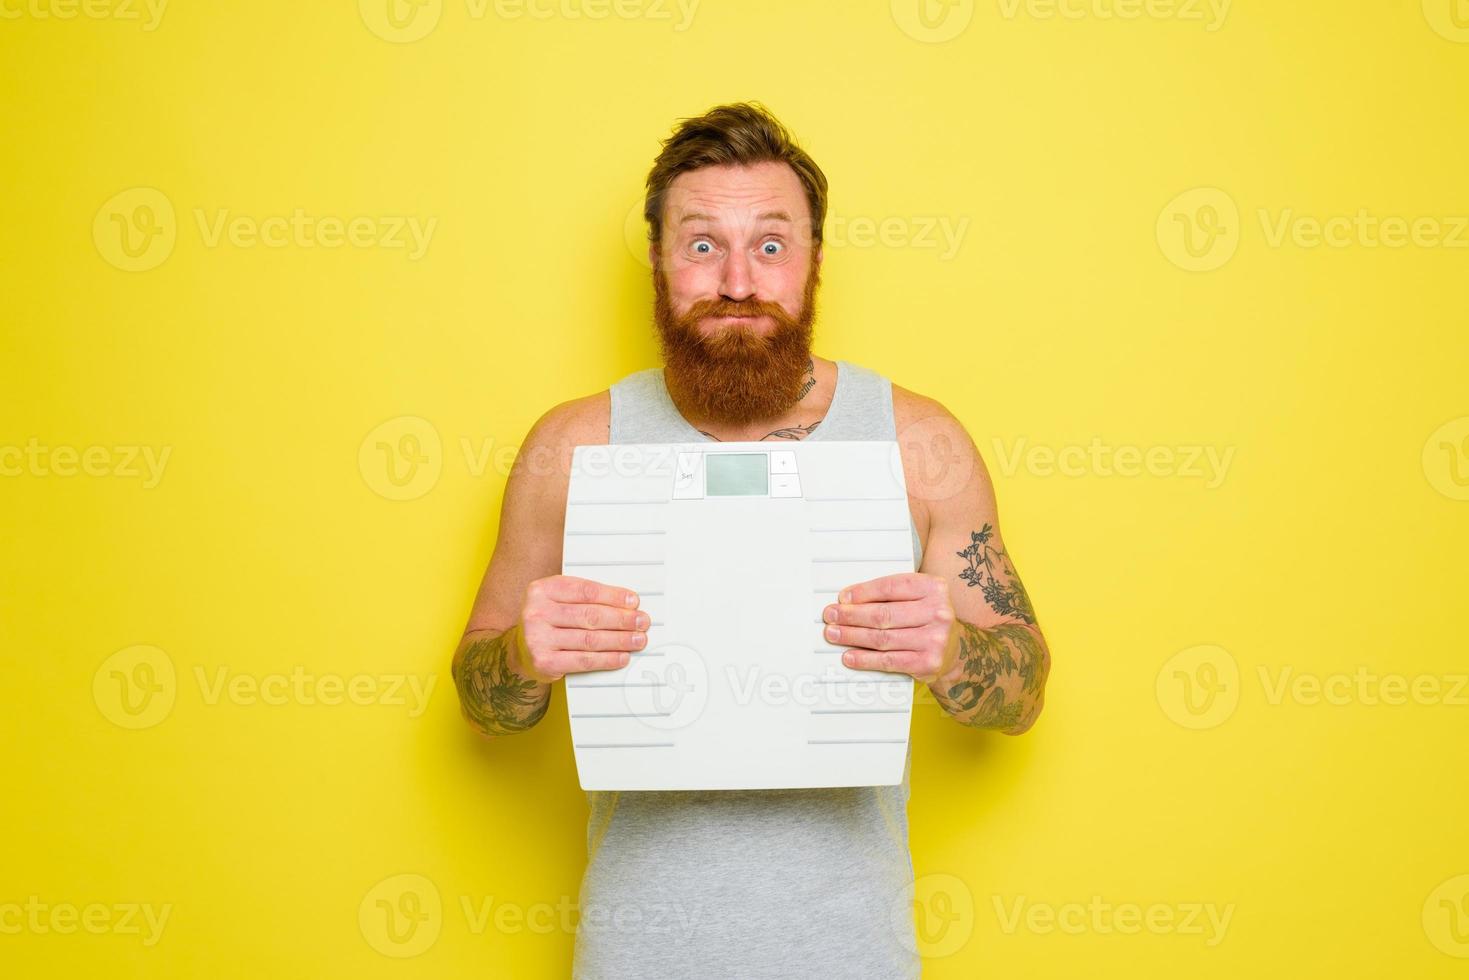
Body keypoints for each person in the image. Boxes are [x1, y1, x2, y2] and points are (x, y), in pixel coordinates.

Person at [451, 101, 1051, 979]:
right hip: (636, 953)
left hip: (853, 955)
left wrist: (952, 650)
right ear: (658, 261)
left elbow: (1024, 693)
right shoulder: (572, 447)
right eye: (701, 245)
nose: (738, 279)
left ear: (813, 262)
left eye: (771, 245)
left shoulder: (918, 443)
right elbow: (478, 699)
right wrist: (521, 657)